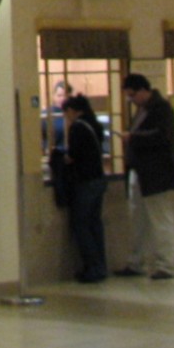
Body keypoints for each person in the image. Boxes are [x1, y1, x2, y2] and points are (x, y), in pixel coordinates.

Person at [115, 72, 174, 280]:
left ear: (144, 90)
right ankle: (137, 262)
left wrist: (133, 137)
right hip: (140, 172)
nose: (131, 100)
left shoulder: (161, 108)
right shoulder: (143, 109)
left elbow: (162, 137)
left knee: (160, 218)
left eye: (133, 95)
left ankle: (166, 264)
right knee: (139, 220)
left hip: (156, 173)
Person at [60, 93, 108, 283]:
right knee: (95, 224)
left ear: (72, 110)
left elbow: (72, 155)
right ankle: (101, 266)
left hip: (84, 181)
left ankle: (92, 267)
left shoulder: (78, 127)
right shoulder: (95, 124)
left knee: (81, 225)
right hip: (98, 178)